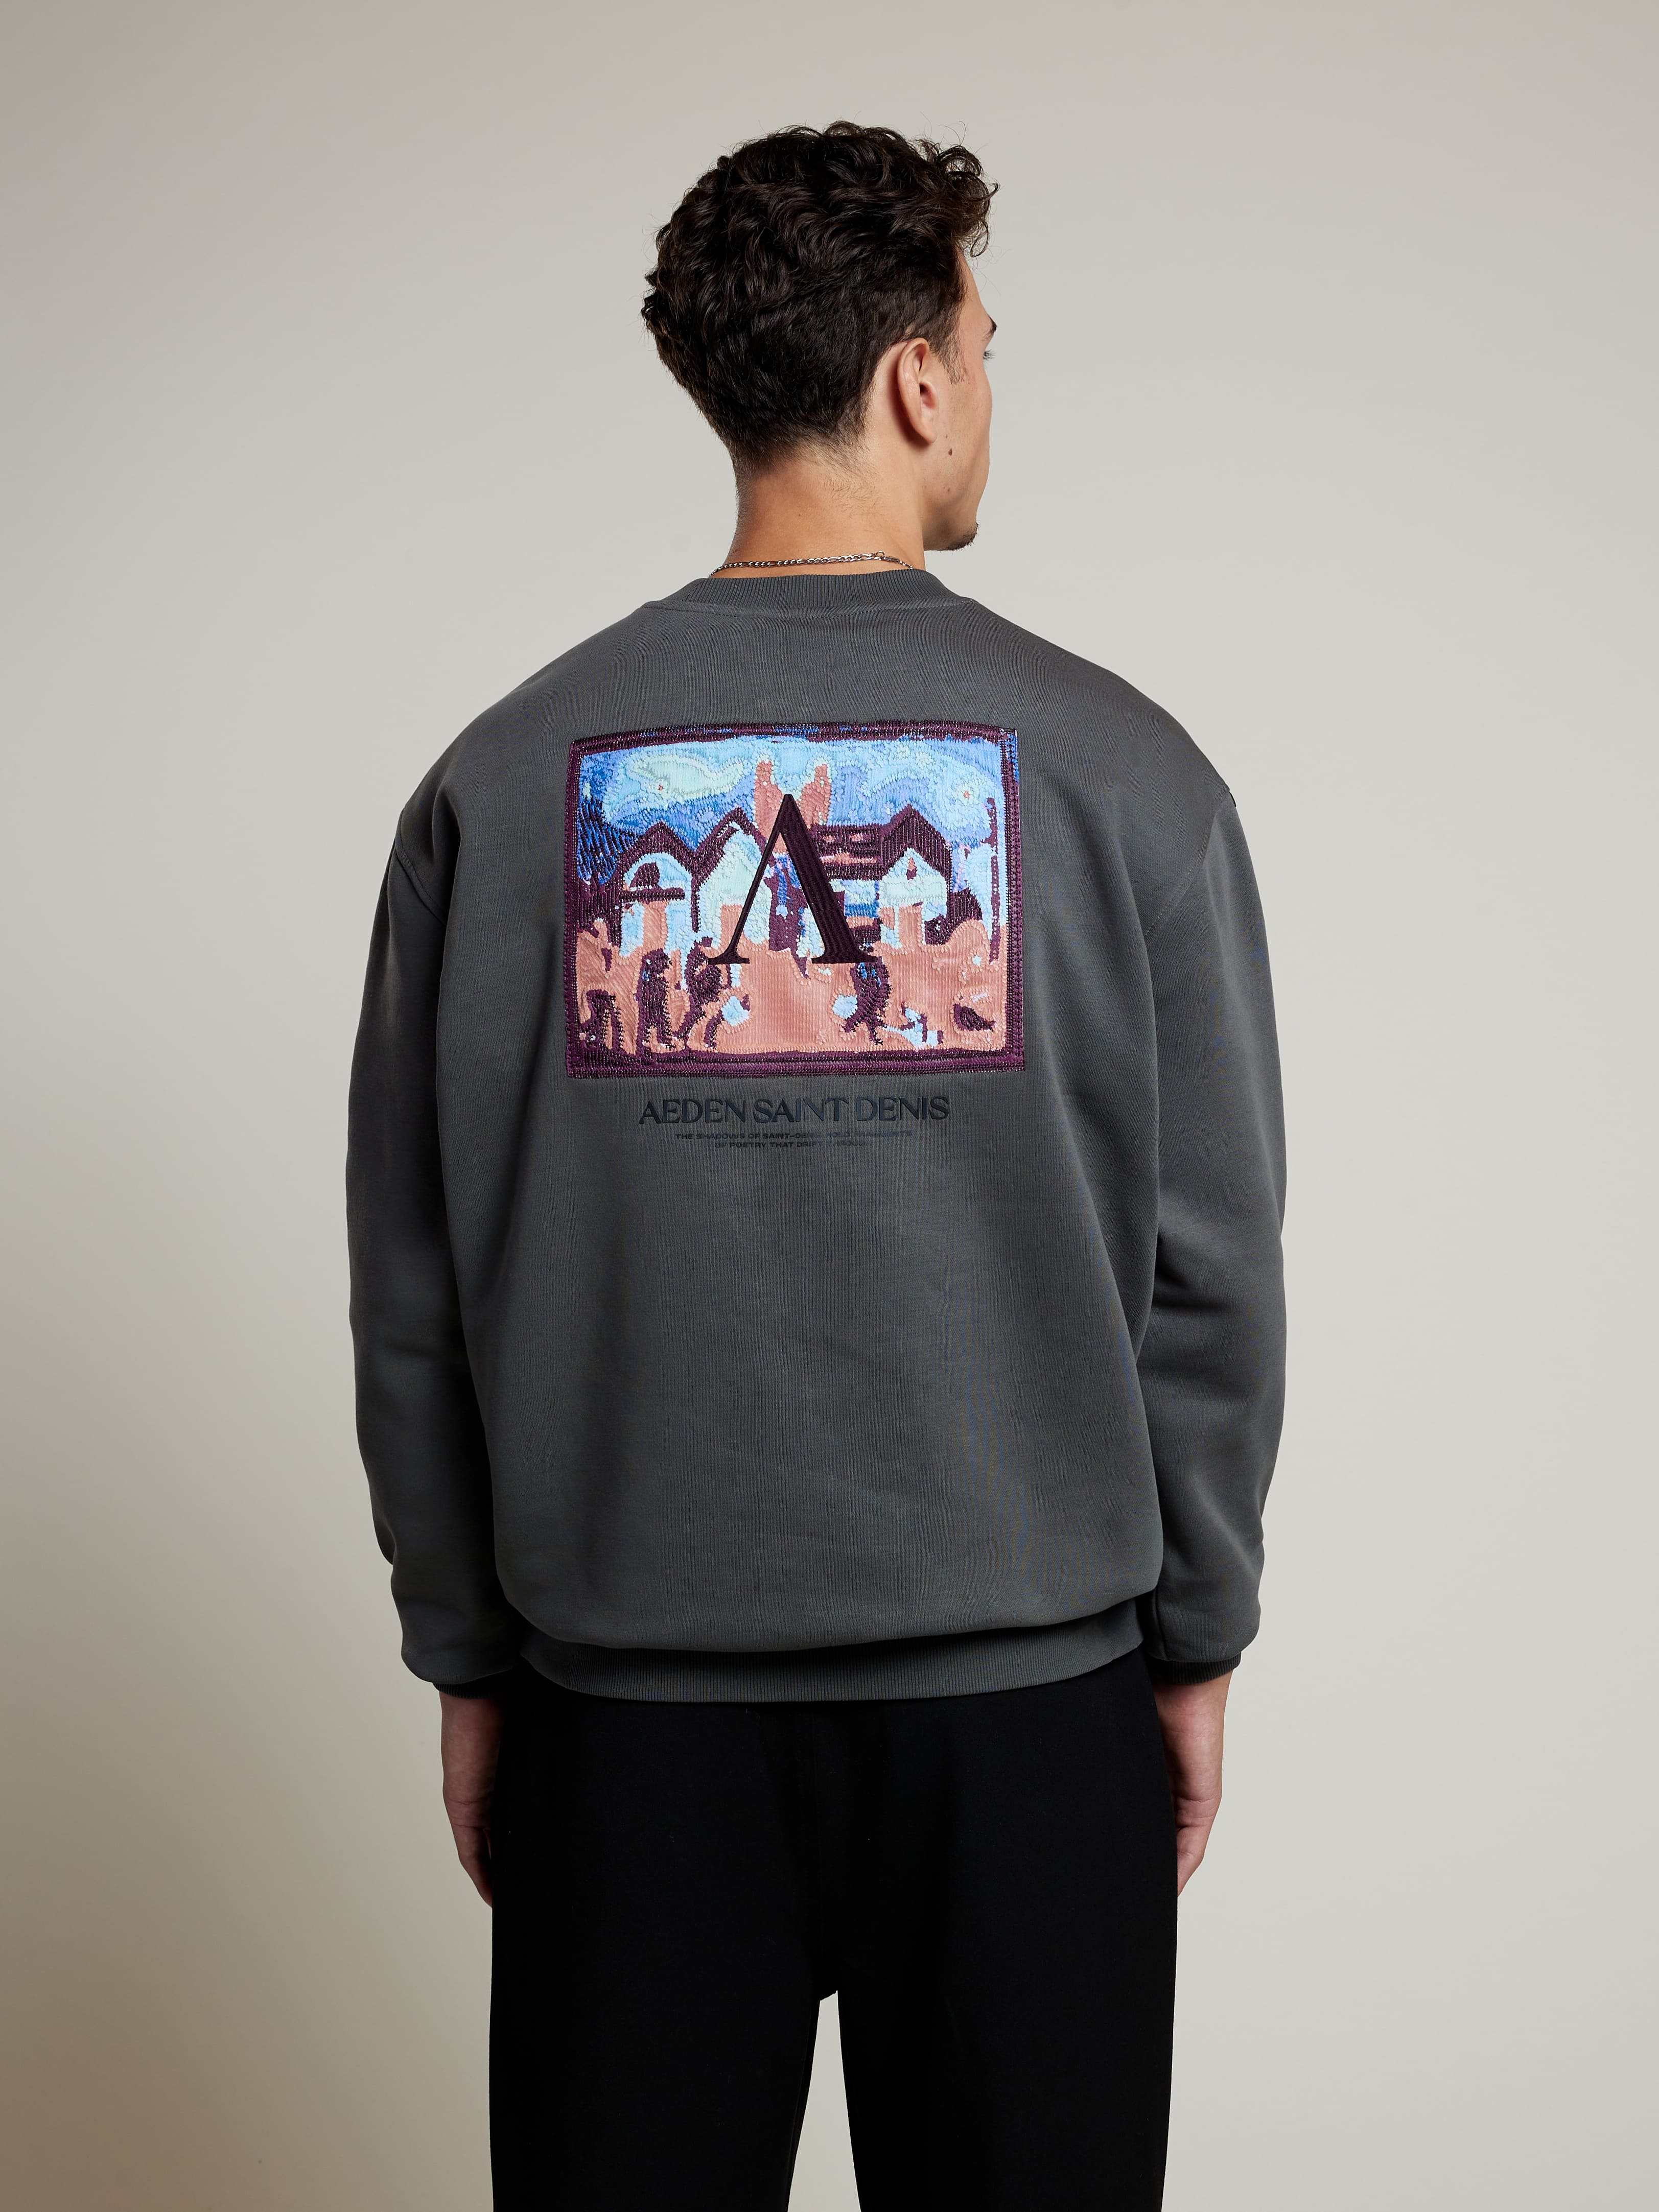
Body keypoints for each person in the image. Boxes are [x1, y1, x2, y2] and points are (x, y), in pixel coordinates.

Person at [347, 122, 1286, 2211]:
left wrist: (467, 1653)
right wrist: (1197, 1636)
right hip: (1031, 1713)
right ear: (917, 377)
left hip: (623, 1731)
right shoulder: (1128, 773)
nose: (986, 385)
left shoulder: (497, 778)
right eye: (984, 341)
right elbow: (1211, 1268)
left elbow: (414, 1283)